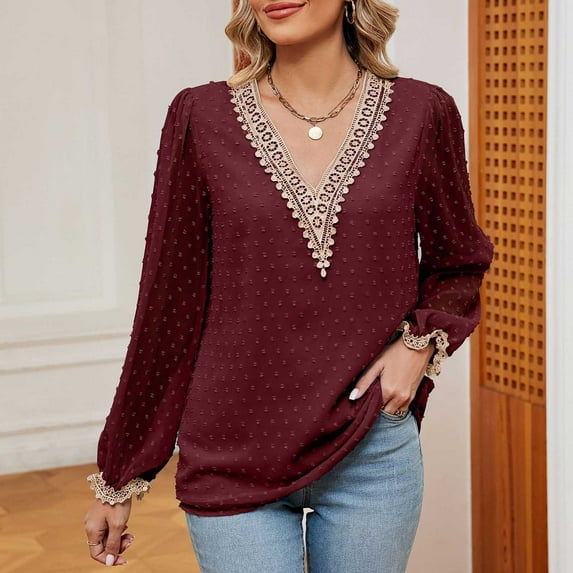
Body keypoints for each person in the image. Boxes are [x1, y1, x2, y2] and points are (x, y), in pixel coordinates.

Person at [84, 0, 494, 571]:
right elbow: (168, 303)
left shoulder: (423, 112)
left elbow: (458, 260)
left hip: (370, 449)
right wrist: (121, 471)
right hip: (230, 449)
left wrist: (417, 345)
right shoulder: (201, 115)